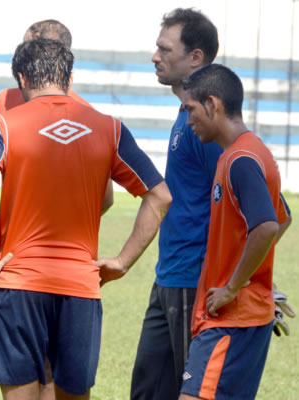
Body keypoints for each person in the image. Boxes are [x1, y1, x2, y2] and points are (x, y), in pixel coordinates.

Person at [0, 38, 171, 400]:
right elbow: (160, 195)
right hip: (79, 288)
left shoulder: (3, 126)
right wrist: (121, 262)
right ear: (69, 78)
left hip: (16, 283)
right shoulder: (109, 128)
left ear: (21, 79)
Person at [0, 20, 113, 400]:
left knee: (48, 371)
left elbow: (105, 198)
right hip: (4, 258)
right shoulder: (1, 103)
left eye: (32, 50)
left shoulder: (87, 116)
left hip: (57, 269)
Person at [179, 64, 291, 400]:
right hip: (239, 316)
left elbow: (268, 226)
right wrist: (253, 274)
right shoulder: (250, 152)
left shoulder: (241, 158)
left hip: (231, 319)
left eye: (191, 110)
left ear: (212, 104)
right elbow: (282, 217)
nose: (188, 121)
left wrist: (234, 286)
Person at [130, 9, 223, 400]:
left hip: (193, 281)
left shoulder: (208, 127)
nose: (155, 56)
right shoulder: (184, 116)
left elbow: (245, 205)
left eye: (164, 49)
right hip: (167, 276)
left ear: (196, 58)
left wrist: (238, 281)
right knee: (148, 390)